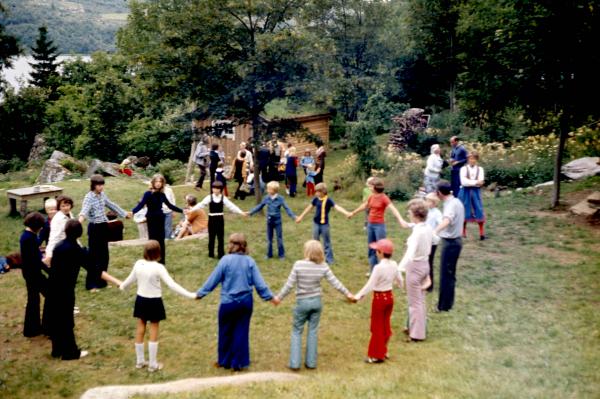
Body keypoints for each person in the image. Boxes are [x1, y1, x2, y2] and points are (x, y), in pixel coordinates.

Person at [195, 233, 276, 371]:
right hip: (245, 302)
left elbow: (213, 279)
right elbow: (259, 283)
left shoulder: (225, 261)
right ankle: (238, 363)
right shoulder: (250, 261)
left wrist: (201, 293)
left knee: (225, 331)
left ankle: (224, 361)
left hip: (228, 303)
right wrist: (270, 297)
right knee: (241, 331)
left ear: (231, 245)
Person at [273, 240, 355, 371]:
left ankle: (295, 363)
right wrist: (348, 294)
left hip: (302, 302)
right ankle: (311, 363)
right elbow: (335, 282)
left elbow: (289, 285)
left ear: (306, 251)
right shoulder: (323, 266)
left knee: (297, 331)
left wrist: (278, 298)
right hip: (317, 303)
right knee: (313, 331)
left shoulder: (298, 265)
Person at [46, 220, 120, 360]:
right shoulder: (76, 250)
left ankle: (57, 350)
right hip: (65, 290)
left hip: (53, 287)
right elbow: (95, 270)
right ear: (80, 233)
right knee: (67, 321)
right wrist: (117, 281)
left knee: (57, 319)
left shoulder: (59, 246)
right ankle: (70, 353)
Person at [120, 240, 196, 372]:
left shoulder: (138, 264)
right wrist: (190, 295)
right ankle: (152, 364)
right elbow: (172, 285)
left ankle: (140, 361)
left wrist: (123, 286)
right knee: (154, 328)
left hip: (141, 300)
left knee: (141, 325)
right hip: (154, 301)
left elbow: (130, 279)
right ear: (158, 253)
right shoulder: (159, 268)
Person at [353, 239, 403, 364]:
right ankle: (384, 350)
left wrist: (359, 295)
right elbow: (400, 280)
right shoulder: (394, 264)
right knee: (385, 325)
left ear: (381, 252)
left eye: (377, 250)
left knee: (377, 327)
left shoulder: (378, 268)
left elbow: (370, 284)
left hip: (379, 299)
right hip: (389, 297)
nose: (376, 252)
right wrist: (399, 284)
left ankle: (376, 355)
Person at [79, 174, 131, 290]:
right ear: (93, 185)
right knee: (94, 258)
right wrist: (78, 223)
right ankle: (91, 285)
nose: (101, 187)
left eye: (102, 184)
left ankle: (102, 282)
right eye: (98, 185)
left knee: (104, 257)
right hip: (94, 228)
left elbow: (112, 205)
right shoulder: (89, 197)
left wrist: (124, 214)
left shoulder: (102, 195)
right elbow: (84, 212)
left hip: (103, 227)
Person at [348, 178, 405, 274]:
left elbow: (393, 209)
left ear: (375, 187)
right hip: (370, 225)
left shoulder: (384, 198)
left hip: (379, 226)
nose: (369, 187)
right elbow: (364, 206)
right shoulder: (371, 197)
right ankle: (373, 270)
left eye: (370, 186)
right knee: (371, 248)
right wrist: (353, 213)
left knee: (381, 248)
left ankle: (384, 270)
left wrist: (401, 220)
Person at [398, 200, 433, 342]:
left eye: (410, 212)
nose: (408, 214)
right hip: (425, 264)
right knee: (420, 300)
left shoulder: (417, 233)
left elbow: (410, 253)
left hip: (415, 267)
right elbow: (435, 239)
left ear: (415, 215)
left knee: (414, 303)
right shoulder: (427, 228)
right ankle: (415, 327)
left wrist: (399, 269)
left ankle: (417, 334)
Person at [132, 174, 183, 265]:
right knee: (152, 241)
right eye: (156, 182)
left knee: (161, 241)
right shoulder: (147, 194)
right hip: (151, 219)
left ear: (162, 183)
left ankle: (162, 262)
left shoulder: (162, 194)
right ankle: (151, 261)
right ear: (153, 183)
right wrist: (132, 212)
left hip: (160, 218)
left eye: (160, 182)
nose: (158, 184)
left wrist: (182, 210)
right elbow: (141, 205)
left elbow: (170, 205)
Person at [295, 183, 351, 265]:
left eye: (317, 191)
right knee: (315, 242)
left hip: (325, 225)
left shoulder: (328, 200)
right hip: (316, 224)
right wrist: (300, 217)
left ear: (323, 192)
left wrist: (346, 213)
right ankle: (314, 258)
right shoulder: (315, 199)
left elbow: (337, 207)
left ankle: (329, 260)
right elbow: (308, 208)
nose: (316, 193)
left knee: (326, 242)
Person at [189, 181, 245, 258]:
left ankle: (221, 254)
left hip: (220, 219)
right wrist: (191, 210)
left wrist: (241, 212)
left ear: (220, 190)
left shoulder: (223, 198)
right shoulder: (209, 197)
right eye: (213, 188)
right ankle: (211, 254)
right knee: (211, 237)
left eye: (217, 189)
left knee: (220, 237)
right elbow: (200, 205)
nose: (215, 190)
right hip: (212, 219)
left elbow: (232, 206)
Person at [434, 181, 465, 312]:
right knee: (450, 274)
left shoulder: (450, 206)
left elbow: (447, 220)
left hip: (450, 242)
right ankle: (448, 304)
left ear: (440, 193)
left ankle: (443, 306)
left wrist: (434, 231)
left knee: (445, 275)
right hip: (457, 241)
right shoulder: (456, 201)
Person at [20, 212, 50, 337]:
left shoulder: (27, 235)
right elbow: (37, 259)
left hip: (29, 271)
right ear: (36, 226)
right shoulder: (29, 238)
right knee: (50, 294)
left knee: (34, 299)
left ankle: (32, 328)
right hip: (33, 273)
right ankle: (46, 326)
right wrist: (49, 270)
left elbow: (36, 250)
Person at [248, 181, 297, 259]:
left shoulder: (280, 198)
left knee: (279, 238)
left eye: (268, 189)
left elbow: (287, 208)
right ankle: (269, 254)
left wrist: (293, 216)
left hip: (278, 222)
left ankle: (281, 255)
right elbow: (260, 206)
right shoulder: (266, 198)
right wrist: (250, 212)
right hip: (269, 221)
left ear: (274, 190)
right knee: (269, 239)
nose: (267, 190)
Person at [458, 152, 486, 240]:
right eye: (470, 159)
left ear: (476, 160)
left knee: (479, 210)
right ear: (467, 159)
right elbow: (463, 182)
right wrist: (475, 182)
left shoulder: (480, 169)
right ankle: (463, 232)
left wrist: (473, 182)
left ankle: (482, 233)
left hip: (475, 192)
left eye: (474, 159)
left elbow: (481, 182)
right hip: (465, 192)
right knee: (464, 210)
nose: (472, 160)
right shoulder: (463, 169)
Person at [43, 195, 74, 266]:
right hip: (62, 249)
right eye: (63, 206)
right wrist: (49, 255)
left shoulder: (70, 214)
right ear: (59, 207)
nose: (66, 208)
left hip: (72, 246)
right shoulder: (58, 219)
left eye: (68, 205)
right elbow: (53, 238)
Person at [424, 192, 443, 292]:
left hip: (432, 241)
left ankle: (430, 285)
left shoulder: (437, 213)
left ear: (434, 203)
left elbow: (441, 224)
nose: (426, 202)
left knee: (429, 261)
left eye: (429, 201)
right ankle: (424, 281)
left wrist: (434, 233)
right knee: (423, 260)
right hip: (424, 239)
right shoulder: (425, 211)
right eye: (426, 200)